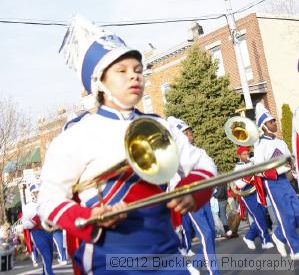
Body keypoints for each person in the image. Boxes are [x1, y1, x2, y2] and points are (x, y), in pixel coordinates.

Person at [37, 14, 217, 275]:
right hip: (109, 259)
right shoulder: (75, 136)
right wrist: (91, 217)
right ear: (99, 83)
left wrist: (193, 190)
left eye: (138, 70)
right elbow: (49, 201)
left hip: (167, 252)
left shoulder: (160, 126)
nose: (134, 77)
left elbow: (202, 163)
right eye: (121, 71)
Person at [169, 117, 220, 275]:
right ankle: (214, 272)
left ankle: (196, 263)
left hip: (203, 198)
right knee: (204, 234)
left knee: (210, 233)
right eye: (186, 133)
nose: (190, 135)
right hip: (189, 199)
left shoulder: (199, 152)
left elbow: (211, 169)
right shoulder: (173, 157)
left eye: (190, 132)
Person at [254, 102, 299, 259]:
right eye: (271, 122)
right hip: (273, 184)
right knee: (286, 216)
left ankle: (278, 236)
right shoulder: (259, 146)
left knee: (297, 214)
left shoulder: (280, 142)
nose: (274, 123)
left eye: (274, 121)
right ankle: (295, 249)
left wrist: (292, 165)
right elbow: (258, 170)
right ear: (263, 126)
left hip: (287, 182)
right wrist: (277, 170)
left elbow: (290, 159)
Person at [233, 146, 273, 250]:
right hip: (248, 194)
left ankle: (249, 236)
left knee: (262, 215)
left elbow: (261, 157)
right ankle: (265, 241)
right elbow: (240, 185)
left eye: (248, 154)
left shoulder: (252, 161)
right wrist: (250, 175)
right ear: (239, 156)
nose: (247, 156)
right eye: (244, 154)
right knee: (258, 217)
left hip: (258, 191)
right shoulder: (237, 169)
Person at [22, 183, 54, 275]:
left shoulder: (46, 202)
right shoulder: (28, 206)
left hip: (48, 231)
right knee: (46, 255)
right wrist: (34, 221)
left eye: (39, 192)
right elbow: (25, 224)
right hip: (37, 233)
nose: (38, 194)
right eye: (35, 192)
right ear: (32, 194)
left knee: (50, 256)